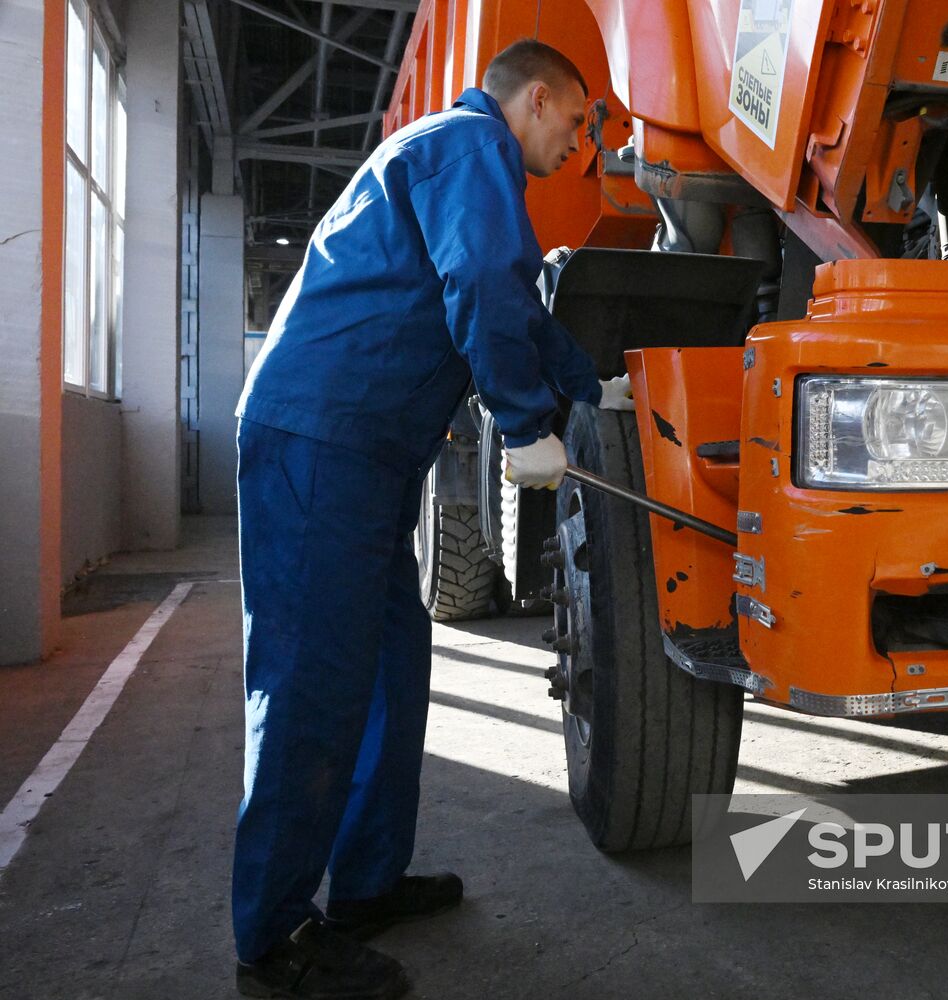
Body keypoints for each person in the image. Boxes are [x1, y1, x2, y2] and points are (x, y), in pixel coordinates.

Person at [231, 39, 631, 1000]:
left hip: (365, 454)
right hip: (320, 440)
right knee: (311, 679)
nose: (581, 145)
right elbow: (482, 290)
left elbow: (518, 309)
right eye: (579, 124)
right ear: (538, 99)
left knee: (389, 668)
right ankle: (274, 938)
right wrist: (526, 424)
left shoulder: (466, 162)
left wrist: (593, 391)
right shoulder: (468, 146)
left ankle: (365, 884)